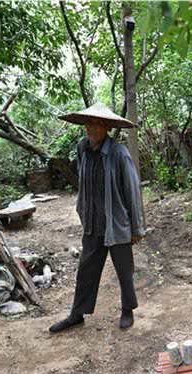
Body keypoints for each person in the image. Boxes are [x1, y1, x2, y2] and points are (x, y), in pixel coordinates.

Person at [49, 103, 144, 332]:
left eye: (100, 124)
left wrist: (136, 228)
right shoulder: (82, 148)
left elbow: (132, 190)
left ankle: (127, 310)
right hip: (92, 223)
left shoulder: (119, 153)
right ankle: (77, 314)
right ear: (86, 125)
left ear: (108, 128)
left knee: (124, 270)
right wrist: (82, 211)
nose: (95, 128)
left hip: (117, 223)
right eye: (91, 123)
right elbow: (83, 182)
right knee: (86, 270)